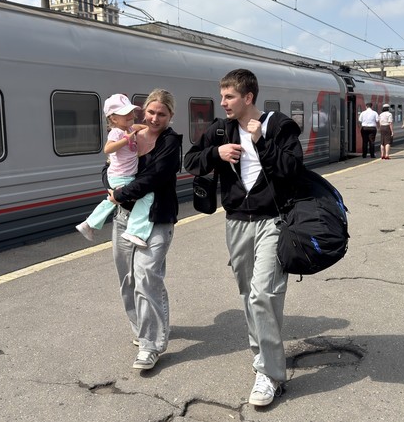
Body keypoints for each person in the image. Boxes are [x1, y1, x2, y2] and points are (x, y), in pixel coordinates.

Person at [183, 69, 303, 407]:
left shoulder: (278, 126)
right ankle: (262, 353)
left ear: (248, 97)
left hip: (273, 220)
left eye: (229, 97)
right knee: (249, 294)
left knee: (265, 293)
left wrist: (260, 143)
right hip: (236, 221)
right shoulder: (220, 130)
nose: (222, 103)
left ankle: (269, 373)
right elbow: (190, 160)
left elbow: (294, 168)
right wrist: (214, 154)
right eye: (222, 97)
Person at [108, 88, 183, 371]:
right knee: (128, 280)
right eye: (150, 112)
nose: (154, 118)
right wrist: (110, 183)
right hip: (125, 218)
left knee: (146, 277)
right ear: (143, 111)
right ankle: (143, 329)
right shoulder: (128, 136)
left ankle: (150, 344)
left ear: (170, 116)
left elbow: (155, 176)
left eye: (161, 114)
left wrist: (121, 192)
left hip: (156, 219)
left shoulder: (171, 143)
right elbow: (109, 167)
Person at [76, 94, 151, 247]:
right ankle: (135, 231)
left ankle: (89, 224)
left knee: (112, 200)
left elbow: (138, 127)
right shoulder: (116, 132)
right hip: (122, 176)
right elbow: (107, 148)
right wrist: (126, 140)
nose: (131, 115)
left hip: (123, 176)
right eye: (125, 114)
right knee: (146, 197)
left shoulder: (129, 128)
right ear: (114, 119)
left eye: (131, 111)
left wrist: (148, 128)